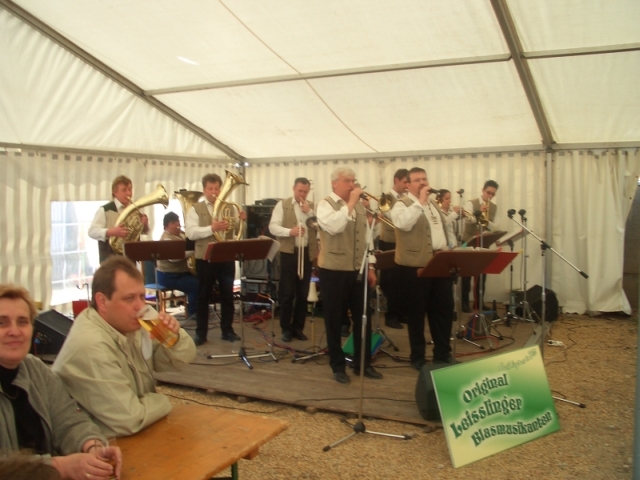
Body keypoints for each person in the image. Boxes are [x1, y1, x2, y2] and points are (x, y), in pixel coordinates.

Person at [52, 257, 196, 437]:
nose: (140, 306)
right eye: (129, 298)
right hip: (92, 446)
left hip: (125, 437)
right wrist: (163, 401)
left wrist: (175, 336)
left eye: (142, 296)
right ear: (102, 301)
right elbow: (130, 419)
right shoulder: (91, 344)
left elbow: (183, 358)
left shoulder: (129, 324)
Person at [0, 284, 122, 480]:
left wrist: (92, 446)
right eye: (2, 323)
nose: (14, 331)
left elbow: (69, 420)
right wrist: (60, 466)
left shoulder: (36, 370)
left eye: (22, 322)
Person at [316, 167, 382, 384]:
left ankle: (363, 363)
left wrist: (371, 266)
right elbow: (335, 226)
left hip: (358, 270)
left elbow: (367, 238)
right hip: (333, 270)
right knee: (334, 320)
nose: (352, 185)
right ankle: (337, 365)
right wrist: (351, 203)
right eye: (347, 181)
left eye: (354, 181)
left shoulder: (360, 208)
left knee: (364, 318)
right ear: (334, 183)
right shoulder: (325, 204)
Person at [390, 167, 456, 369]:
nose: (422, 182)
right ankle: (417, 357)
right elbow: (402, 224)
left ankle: (442, 354)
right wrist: (419, 202)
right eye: (417, 180)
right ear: (408, 185)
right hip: (414, 265)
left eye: (424, 179)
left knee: (443, 310)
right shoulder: (401, 204)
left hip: (439, 262)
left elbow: (440, 230)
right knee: (417, 314)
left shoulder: (433, 204)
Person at [185, 173, 247, 346]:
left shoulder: (229, 208)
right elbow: (191, 233)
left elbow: (235, 232)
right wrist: (212, 228)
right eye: (210, 189)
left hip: (225, 256)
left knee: (228, 295)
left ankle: (227, 330)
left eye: (217, 188)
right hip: (205, 257)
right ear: (204, 190)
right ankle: (201, 333)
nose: (214, 192)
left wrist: (241, 221)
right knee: (203, 296)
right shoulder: (195, 209)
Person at [268, 178, 318, 343]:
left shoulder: (313, 207)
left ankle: (298, 328)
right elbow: (272, 227)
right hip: (289, 253)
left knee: (303, 294)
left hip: (306, 252)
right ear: (293, 189)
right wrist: (290, 231)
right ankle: (286, 328)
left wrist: (309, 212)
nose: (302, 194)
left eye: (305, 191)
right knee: (287, 293)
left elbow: (320, 228)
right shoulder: (282, 205)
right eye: (300, 191)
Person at [88, 175, 149, 263]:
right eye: (124, 190)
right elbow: (92, 232)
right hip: (110, 261)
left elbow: (143, 232)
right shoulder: (105, 210)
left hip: (130, 260)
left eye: (130, 189)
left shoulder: (134, 209)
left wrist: (145, 225)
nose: (128, 193)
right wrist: (111, 232)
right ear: (114, 192)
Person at [461, 180, 500, 312]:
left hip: (484, 242)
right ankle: (464, 302)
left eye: (493, 194)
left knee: (482, 274)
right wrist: (478, 212)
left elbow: (494, 226)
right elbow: (468, 220)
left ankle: (479, 302)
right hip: (468, 241)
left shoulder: (494, 207)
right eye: (488, 192)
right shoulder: (471, 203)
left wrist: (488, 224)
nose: (490, 196)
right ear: (483, 190)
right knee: (466, 274)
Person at [378, 168, 409, 330]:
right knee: (391, 280)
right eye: (404, 182)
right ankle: (390, 316)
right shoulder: (387, 198)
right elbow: (393, 217)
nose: (406, 185)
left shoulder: (405, 198)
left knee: (402, 280)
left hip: (402, 242)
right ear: (396, 180)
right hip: (389, 241)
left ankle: (400, 312)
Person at [156, 211, 199, 321]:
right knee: (196, 285)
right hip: (168, 276)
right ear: (166, 226)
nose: (177, 224)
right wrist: (194, 250)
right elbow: (173, 258)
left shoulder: (181, 235)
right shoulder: (166, 239)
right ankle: (193, 312)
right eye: (173, 223)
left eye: (178, 221)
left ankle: (199, 308)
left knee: (204, 279)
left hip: (181, 273)